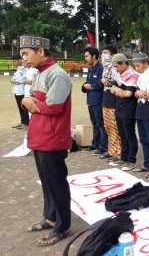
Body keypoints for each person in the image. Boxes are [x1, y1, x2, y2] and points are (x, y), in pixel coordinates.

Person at [20, 35, 72, 246]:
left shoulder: (57, 75)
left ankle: (63, 226)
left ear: (40, 51)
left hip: (52, 138)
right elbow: (30, 98)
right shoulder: (41, 73)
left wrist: (32, 102)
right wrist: (26, 101)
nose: (23, 59)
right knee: (47, 183)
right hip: (39, 136)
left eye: (26, 54)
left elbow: (54, 107)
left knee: (56, 183)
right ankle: (50, 217)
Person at [131, 53, 149, 177]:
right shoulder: (140, 75)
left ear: (146, 64)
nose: (136, 69)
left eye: (138, 66)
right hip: (140, 108)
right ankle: (146, 163)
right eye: (135, 66)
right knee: (143, 139)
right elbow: (136, 90)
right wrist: (137, 92)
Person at [109, 53, 139, 169]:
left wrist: (118, 91)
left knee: (129, 135)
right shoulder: (119, 76)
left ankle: (131, 160)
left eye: (117, 66)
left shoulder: (132, 75)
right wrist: (118, 90)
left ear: (124, 63)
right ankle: (124, 157)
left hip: (129, 110)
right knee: (122, 134)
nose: (116, 69)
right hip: (119, 108)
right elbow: (112, 89)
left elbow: (128, 93)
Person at [82, 47, 107, 155]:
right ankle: (95, 143)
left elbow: (100, 85)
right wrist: (85, 86)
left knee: (100, 124)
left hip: (98, 100)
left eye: (87, 56)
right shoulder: (91, 69)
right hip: (90, 100)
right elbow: (86, 83)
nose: (86, 58)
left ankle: (103, 146)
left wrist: (89, 86)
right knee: (94, 123)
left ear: (94, 56)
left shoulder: (100, 69)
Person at [100, 45, 121, 162]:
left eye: (106, 53)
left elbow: (119, 83)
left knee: (115, 127)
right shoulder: (105, 68)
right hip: (106, 99)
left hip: (114, 100)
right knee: (108, 126)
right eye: (102, 53)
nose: (103, 55)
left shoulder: (116, 68)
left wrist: (106, 82)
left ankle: (119, 151)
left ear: (112, 55)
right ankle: (112, 150)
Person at [11, 54, 29, 129]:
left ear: (19, 59)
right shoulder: (19, 68)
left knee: (24, 108)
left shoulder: (25, 68)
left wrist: (16, 81)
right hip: (17, 90)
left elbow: (24, 79)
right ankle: (22, 122)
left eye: (15, 61)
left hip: (22, 91)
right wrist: (12, 80)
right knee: (20, 107)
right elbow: (14, 77)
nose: (14, 63)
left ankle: (26, 123)